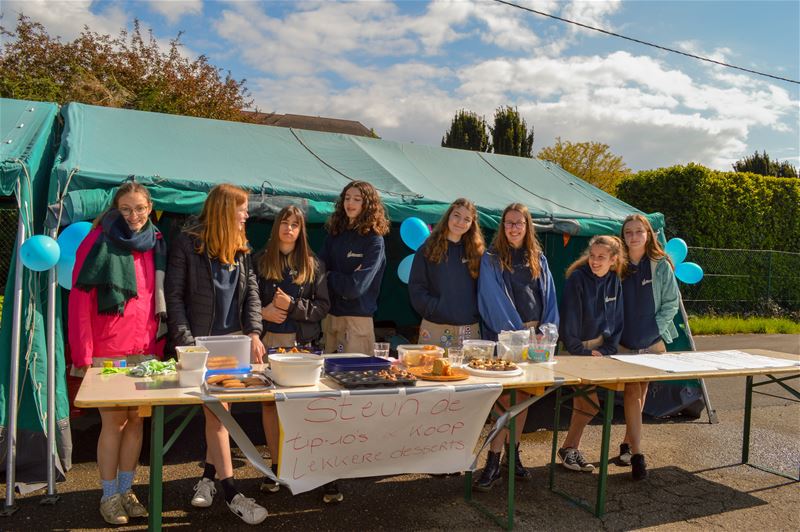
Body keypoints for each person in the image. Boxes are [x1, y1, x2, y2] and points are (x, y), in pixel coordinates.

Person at [165, 184, 268, 525]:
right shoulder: (186, 244)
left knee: (221, 415)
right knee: (218, 418)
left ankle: (207, 479)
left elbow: (252, 291)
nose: (247, 214)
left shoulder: (242, 248)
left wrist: (253, 332)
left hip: (234, 346)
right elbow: (174, 297)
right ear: (225, 210)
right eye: (243, 209)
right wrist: (187, 344)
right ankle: (233, 493)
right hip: (200, 347)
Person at [68, 182, 166, 525]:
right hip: (106, 353)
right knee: (113, 423)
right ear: (115, 209)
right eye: (126, 209)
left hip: (144, 352)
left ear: (150, 207)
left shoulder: (156, 242)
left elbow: (156, 298)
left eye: (140, 208)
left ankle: (127, 490)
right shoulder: (96, 240)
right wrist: (83, 353)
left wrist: (157, 347)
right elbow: (79, 301)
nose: (134, 216)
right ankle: (109, 496)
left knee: (136, 421)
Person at [474, 203, 559, 490]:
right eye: (509, 223)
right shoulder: (492, 258)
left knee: (525, 398)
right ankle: (493, 459)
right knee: (505, 400)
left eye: (518, 223)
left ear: (527, 226)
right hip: (508, 338)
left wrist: (546, 333)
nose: (513, 228)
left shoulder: (539, 258)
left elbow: (549, 297)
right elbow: (492, 300)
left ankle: (513, 455)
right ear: (503, 226)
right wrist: (518, 334)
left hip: (536, 338)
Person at [256, 205, 330, 494]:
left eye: (295, 225)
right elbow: (245, 301)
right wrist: (263, 312)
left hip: (301, 349)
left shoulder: (314, 264)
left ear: (301, 231)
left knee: (305, 410)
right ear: (276, 227)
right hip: (269, 345)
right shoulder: (259, 260)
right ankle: (276, 467)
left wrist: (293, 307)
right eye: (284, 223)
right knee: (270, 407)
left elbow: (323, 307)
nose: (288, 229)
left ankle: (314, 469)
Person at [618, 214, 680, 480]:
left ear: (648, 234)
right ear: (623, 236)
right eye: (628, 232)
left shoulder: (660, 265)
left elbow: (671, 304)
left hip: (653, 344)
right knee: (632, 393)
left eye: (638, 232)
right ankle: (638, 455)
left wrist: (654, 331)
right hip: (624, 345)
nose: (633, 236)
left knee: (640, 394)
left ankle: (626, 443)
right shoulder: (616, 264)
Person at [556, 235, 626, 473]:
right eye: (593, 256)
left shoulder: (614, 280)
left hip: (599, 352)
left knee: (584, 403)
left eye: (601, 257)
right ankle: (568, 448)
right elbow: (568, 321)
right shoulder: (577, 278)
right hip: (578, 350)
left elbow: (617, 319)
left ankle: (570, 449)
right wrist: (581, 352)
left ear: (613, 260)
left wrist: (607, 349)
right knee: (588, 403)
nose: (595, 261)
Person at [318, 180, 390, 355]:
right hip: (330, 319)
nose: (350, 203)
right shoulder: (334, 235)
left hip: (357, 322)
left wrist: (328, 276)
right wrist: (338, 278)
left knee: (355, 377)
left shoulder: (374, 240)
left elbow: (355, 287)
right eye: (347, 198)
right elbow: (316, 274)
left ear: (368, 204)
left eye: (357, 199)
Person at [408, 198, 485, 347]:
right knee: (430, 370)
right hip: (435, 328)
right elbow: (416, 288)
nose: (460, 222)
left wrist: (473, 311)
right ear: (448, 216)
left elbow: (486, 290)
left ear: (472, 224)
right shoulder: (426, 250)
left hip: (469, 329)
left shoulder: (478, 254)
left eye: (467, 219)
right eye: (456, 215)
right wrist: (435, 309)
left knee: (467, 370)